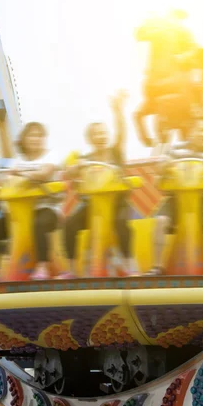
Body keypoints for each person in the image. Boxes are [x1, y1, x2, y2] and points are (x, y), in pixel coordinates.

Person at [63, 91, 135, 277]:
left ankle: (129, 265)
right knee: (69, 224)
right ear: (90, 139)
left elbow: (121, 132)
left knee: (121, 223)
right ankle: (71, 269)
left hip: (117, 202)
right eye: (96, 134)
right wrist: (74, 169)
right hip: (93, 205)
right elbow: (69, 173)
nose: (100, 136)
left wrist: (118, 111)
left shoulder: (115, 152)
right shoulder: (86, 158)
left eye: (103, 133)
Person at [0, 122, 63, 282]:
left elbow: (43, 174)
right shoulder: (17, 161)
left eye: (39, 135)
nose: (35, 139)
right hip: (19, 212)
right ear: (24, 139)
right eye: (31, 135)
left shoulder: (51, 157)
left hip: (46, 208)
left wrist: (19, 173)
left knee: (37, 224)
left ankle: (42, 267)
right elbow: (7, 181)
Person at [148, 118, 203, 276]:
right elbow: (160, 166)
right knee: (161, 221)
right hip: (177, 199)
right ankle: (157, 267)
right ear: (190, 133)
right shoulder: (176, 149)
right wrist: (167, 165)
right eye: (201, 130)